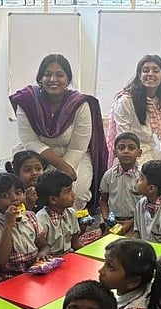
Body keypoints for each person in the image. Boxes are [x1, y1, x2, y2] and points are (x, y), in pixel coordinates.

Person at [10, 54, 108, 211]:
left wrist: (63, 171)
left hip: (73, 155)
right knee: (30, 188)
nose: (53, 79)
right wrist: (60, 164)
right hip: (37, 154)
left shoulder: (80, 104)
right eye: (47, 74)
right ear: (40, 78)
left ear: (68, 80)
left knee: (76, 192)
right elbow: (30, 141)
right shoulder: (27, 101)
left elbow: (78, 147)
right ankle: (33, 218)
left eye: (59, 75)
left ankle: (69, 222)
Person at [107, 55, 161, 168]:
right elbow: (123, 138)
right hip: (131, 154)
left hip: (151, 150)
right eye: (145, 70)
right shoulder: (126, 101)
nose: (150, 74)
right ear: (139, 75)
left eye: (155, 71)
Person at [0, 173, 52, 283]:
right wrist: (8, 225)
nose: (14, 198)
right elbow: (0, 261)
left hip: (34, 273)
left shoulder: (30, 217)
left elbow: (44, 245)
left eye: (18, 193)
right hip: (9, 278)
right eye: (5, 196)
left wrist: (43, 253)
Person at [99, 132, 142, 236]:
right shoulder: (109, 175)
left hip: (136, 223)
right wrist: (107, 219)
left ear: (139, 153)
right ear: (114, 153)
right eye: (121, 148)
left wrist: (133, 222)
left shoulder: (143, 176)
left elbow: (147, 204)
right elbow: (103, 199)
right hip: (113, 222)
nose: (126, 151)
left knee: (131, 243)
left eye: (131, 148)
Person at [35, 169, 82, 255]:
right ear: (53, 199)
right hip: (52, 259)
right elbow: (41, 248)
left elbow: (75, 241)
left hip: (70, 256)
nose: (73, 195)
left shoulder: (71, 213)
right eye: (68, 191)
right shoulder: (42, 219)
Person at [134, 160, 161, 245]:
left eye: (141, 178)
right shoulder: (140, 204)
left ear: (151, 188)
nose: (137, 179)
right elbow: (137, 232)